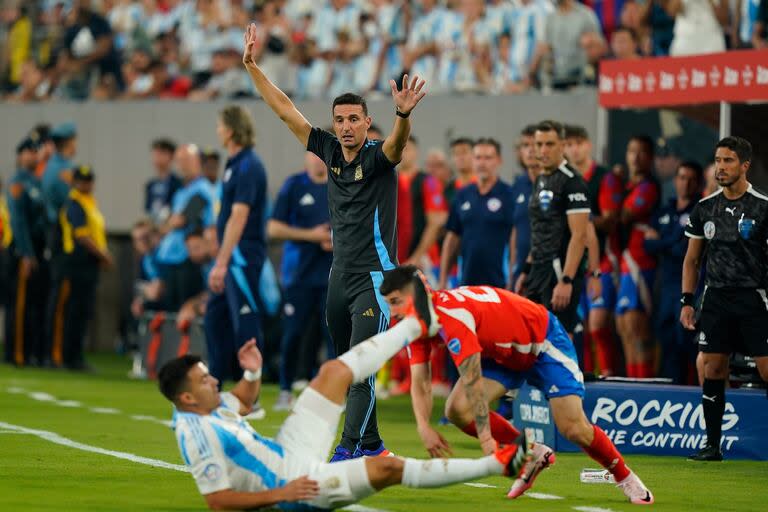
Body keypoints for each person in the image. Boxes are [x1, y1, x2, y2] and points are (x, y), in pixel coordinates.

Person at [159, 278, 531, 510]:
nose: (213, 383)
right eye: (204, 381)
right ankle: (499, 464)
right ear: (188, 399)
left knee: (332, 371)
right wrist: (281, 496)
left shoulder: (207, 407)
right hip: (293, 489)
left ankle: (415, 326)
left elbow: (242, 400)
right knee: (388, 468)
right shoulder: (196, 433)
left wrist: (253, 370)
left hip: (290, 450)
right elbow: (217, 501)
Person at [241, 22, 427, 460]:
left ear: (366, 123)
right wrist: (252, 67)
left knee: (359, 370)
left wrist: (403, 116)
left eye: (353, 120)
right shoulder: (326, 150)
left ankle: (347, 450)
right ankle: (374, 444)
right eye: (339, 120)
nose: (345, 127)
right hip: (338, 277)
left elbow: (398, 148)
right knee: (346, 367)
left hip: (378, 281)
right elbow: (285, 110)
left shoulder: (378, 157)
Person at [380, 265, 653, 505]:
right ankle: (533, 453)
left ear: (416, 295)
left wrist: (487, 439)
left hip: (542, 342)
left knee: (573, 428)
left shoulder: (451, 317)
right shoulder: (418, 324)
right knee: (457, 410)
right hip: (503, 354)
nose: (392, 313)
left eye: (395, 302)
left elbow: (472, 377)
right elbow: (421, 381)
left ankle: (625, 476)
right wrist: (423, 426)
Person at [682, 136, 768, 461]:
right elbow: (691, 261)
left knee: (766, 369)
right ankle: (712, 446)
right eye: (718, 160)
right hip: (716, 299)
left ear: (744, 165)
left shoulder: (763, 206)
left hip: (754, 299)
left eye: (728, 161)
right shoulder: (705, 208)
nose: (721, 167)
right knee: (713, 368)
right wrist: (687, 301)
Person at [205, 105, 268, 386]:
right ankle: (216, 383)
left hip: (242, 256)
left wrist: (221, 261)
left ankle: (250, 388)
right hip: (231, 256)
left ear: (230, 131)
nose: (218, 131)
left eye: (220, 126)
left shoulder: (248, 166)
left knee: (246, 322)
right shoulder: (233, 164)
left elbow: (239, 216)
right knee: (214, 319)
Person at [267, 151, 334, 411]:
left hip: (332, 274)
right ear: (305, 157)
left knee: (333, 336)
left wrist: (336, 239)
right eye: (313, 154)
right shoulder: (294, 186)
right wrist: (312, 235)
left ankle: (331, 396)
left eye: (323, 155)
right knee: (293, 334)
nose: (318, 159)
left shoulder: (340, 185)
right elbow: (274, 228)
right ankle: (285, 390)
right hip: (299, 276)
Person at [516, 120, 591, 337]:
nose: (542, 150)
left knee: (559, 339)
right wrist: (526, 270)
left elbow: (580, 235)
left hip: (559, 272)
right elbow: (540, 228)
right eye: (538, 144)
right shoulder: (540, 179)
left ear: (562, 145)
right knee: (531, 338)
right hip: (537, 271)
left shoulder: (573, 183)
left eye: (549, 144)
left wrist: (567, 280)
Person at [564, 124, 622, 375]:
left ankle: (609, 375)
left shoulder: (603, 177)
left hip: (605, 262)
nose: (573, 149)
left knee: (599, 324)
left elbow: (610, 219)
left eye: (578, 143)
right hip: (574, 261)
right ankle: (587, 378)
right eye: (569, 144)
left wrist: (581, 220)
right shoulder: (564, 179)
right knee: (582, 326)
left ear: (588, 145)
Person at [645, 161, 702, 384]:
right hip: (664, 285)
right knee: (665, 339)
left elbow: (684, 250)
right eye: (681, 177)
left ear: (697, 183)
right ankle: (673, 391)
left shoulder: (699, 211)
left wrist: (662, 241)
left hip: (688, 286)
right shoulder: (664, 211)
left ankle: (694, 393)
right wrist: (673, 239)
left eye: (690, 178)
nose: (684, 183)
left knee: (687, 341)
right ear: (675, 180)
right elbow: (647, 246)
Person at [55, 165, 113, 370]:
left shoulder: (89, 203)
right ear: (75, 182)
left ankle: (74, 356)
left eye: (88, 180)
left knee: (81, 312)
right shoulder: (74, 204)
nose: (86, 184)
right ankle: (66, 356)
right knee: (72, 312)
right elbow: (82, 236)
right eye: (81, 180)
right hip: (76, 265)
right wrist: (104, 255)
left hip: (88, 266)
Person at [439, 138, 515, 290]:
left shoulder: (508, 195)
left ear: (499, 160)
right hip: (466, 281)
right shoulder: (462, 195)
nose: (482, 163)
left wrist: (513, 279)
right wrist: (443, 279)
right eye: (478, 157)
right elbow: (452, 239)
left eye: (488, 158)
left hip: (500, 282)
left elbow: (515, 241)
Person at [615, 136, 660, 378]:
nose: (635, 157)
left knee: (638, 327)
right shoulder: (627, 185)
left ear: (650, 157)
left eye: (641, 152)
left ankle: (644, 385)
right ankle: (632, 381)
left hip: (641, 264)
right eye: (631, 151)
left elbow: (622, 216)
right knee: (623, 327)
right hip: (624, 263)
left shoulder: (648, 186)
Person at [4, 136, 49, 367]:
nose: (33, 155)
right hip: (23, 251)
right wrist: (26, 254)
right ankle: (16, 354)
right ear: (20, 156)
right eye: (28, 151)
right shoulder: (17, 183)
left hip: (39, 249)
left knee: (34, 304)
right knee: (19, 305)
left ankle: (32, 352)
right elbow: (18, 221)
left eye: (35, 151)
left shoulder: (37, 181)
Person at [155, 144, 215, 311]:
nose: (181, 164)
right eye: (179, 160)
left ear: (197, 161)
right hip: (172, 259)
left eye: (186, 159)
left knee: (185, 310)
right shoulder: (181, 191)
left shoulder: (202, 188)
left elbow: (180, 220)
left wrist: (168, 224)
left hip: (188, 258)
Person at [396, 135, 448, 276]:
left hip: (423, 259)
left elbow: (435, 223)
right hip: (397, 257)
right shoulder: (390, 180)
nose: (403, 152)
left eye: (407, 149)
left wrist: (417, 257)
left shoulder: (428, 181)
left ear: (416, 152)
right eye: (399, 148)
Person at [144, 138, 182, 225]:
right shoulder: (150, 185)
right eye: (155, 154)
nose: (156, 158)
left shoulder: (178, 184)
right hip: (155, 226)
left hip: (170, 226)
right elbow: (148, 210)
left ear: (171, 156)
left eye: (161, 154)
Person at [445, 137, 476, 205]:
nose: (460, 157)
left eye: (464, 152)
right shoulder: (448, 190)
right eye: (456, 153)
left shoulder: (484, 186)